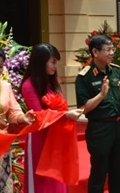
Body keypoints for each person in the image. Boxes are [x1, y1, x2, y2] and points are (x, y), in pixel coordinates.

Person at [21, 43, 83, 193]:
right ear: (41, 62)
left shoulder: (52, 82)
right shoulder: (29, 85)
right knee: (42, 181)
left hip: (56, 136)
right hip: (39, 137)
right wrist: (66, 115)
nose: (55, 66)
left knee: (56, 176)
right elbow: (38, 115)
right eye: (53, 62)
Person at [75, 35, 120, 193]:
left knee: (119, 171)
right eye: (108, 49)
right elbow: (84, 108)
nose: (112, 52)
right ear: (95, 51)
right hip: (99, 128)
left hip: (118, 125)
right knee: (99, 171)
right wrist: (101, 95)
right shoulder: (84, 77)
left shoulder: (116, 71)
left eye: (113, 49)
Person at [0, 46, 34, 193]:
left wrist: (23, 117)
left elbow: (14, 111)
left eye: (0, 66)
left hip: (2, 144)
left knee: (4, 185)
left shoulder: (6, 87)